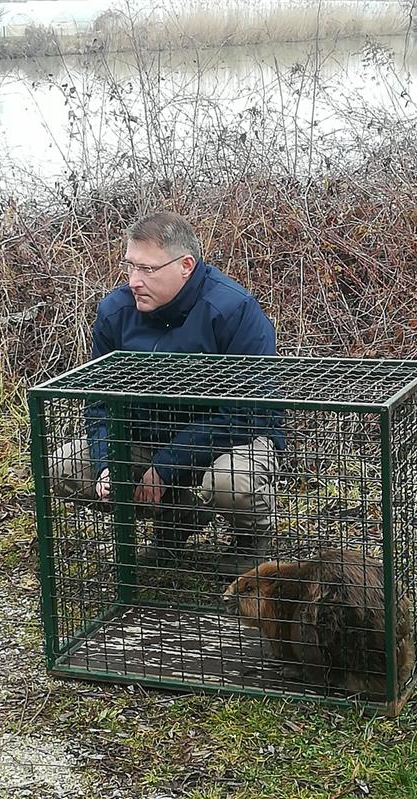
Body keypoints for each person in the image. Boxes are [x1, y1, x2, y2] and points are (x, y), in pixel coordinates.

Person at [52, 211, 284, 571]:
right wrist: (107, 462)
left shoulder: (233, 309)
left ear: (186, 265)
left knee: (231, 484)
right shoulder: (115, 312)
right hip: (146, 439)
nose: (134, 281)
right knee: (63, 467)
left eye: (147, 270)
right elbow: (99, 402)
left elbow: (249, 412)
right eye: (130, 267)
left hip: (231, 441)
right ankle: (174, 521)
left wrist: (166, 465)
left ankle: (250, 541)